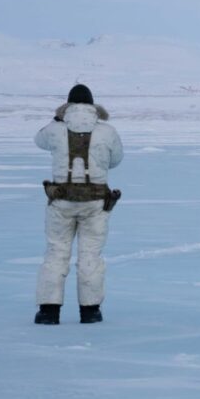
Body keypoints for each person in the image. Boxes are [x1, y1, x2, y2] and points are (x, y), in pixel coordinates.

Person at [33, 84, 123, 324]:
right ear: (93, 106)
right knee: (91, 254)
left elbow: (38, 140)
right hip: (95, 204)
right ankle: (90, 311)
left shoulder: (55, 130)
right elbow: (116, 160)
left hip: (61, 202)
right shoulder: (107, 131)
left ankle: (49, 311)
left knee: (56, 252)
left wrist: (57, 119)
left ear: (68, 106)